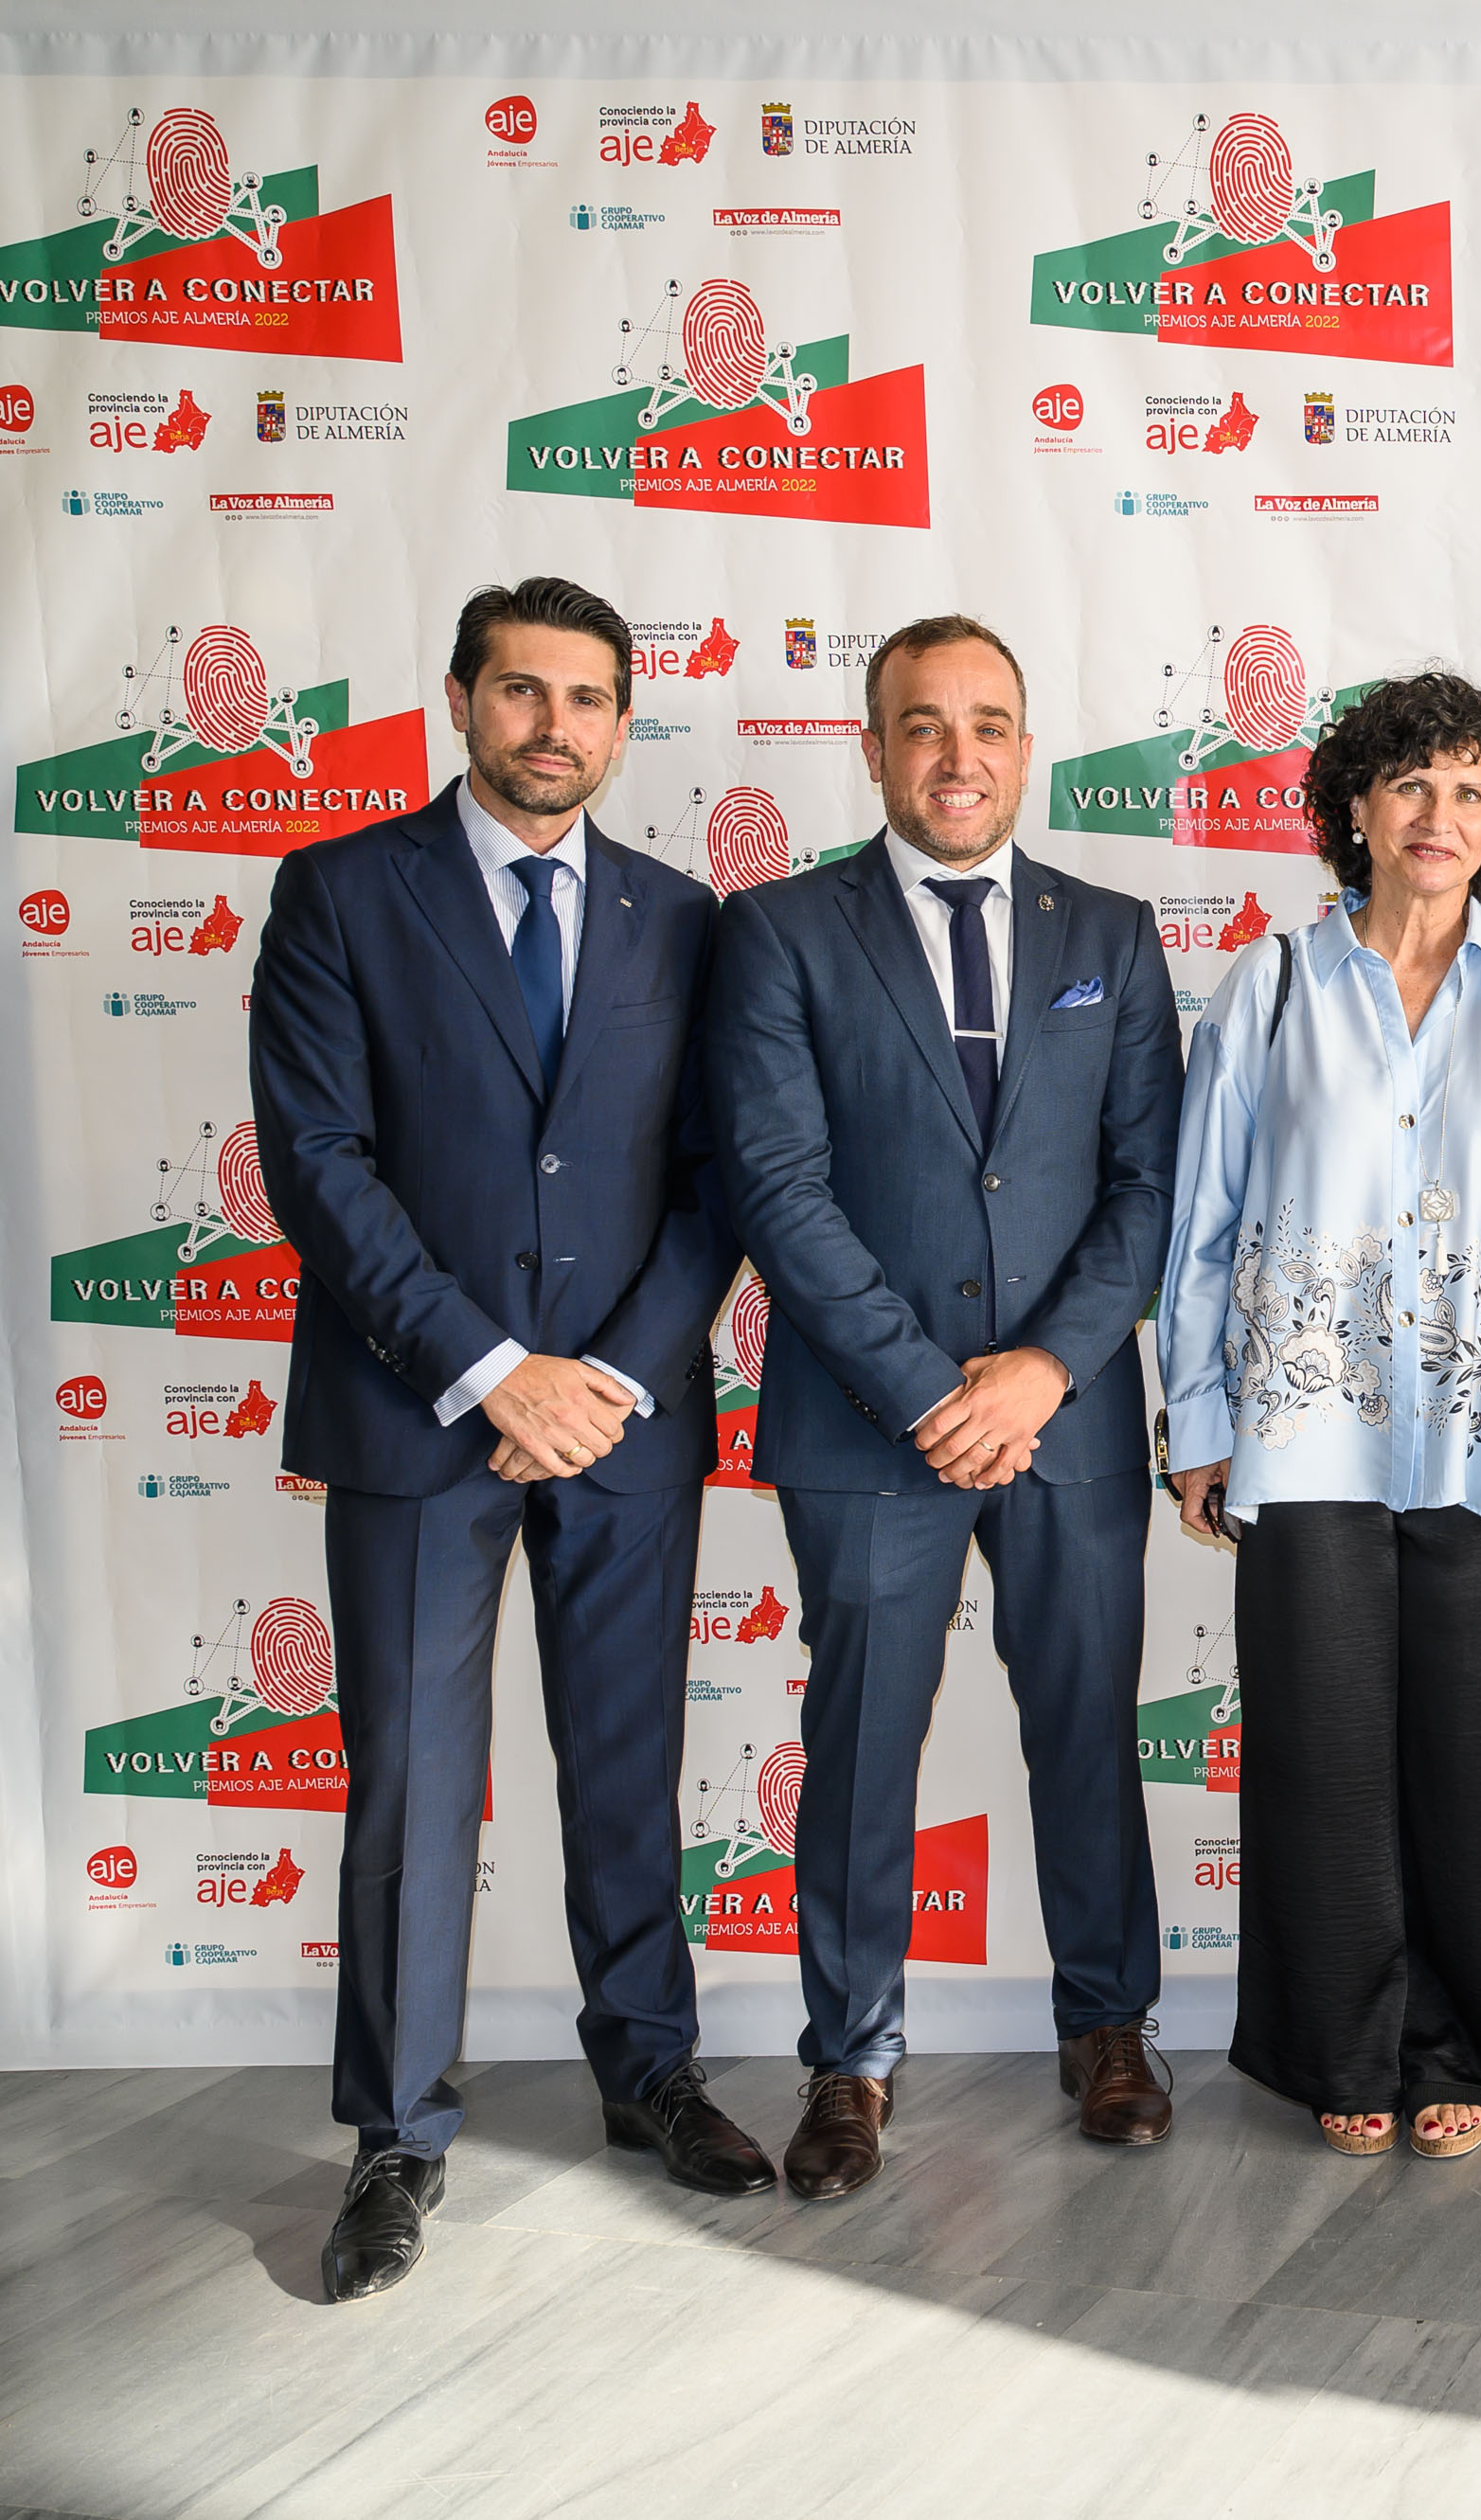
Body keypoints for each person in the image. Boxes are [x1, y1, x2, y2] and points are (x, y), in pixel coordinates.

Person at [249, 577, 759, 2303]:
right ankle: (396, 2131)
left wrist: (601, 1375)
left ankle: (649, 2070)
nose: (557, 725)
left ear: (623, 722)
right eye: (525, 691)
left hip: (622, 1419)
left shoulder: (687, 919)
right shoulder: (339, 891)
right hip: (418, 1411)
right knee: (408, 1778)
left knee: (627, 1760)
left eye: (588, 697)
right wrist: (488, 1368)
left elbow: (718, 1180)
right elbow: (319, 1162)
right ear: (461, 698)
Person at [707, 616, 1184, 2200]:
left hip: (1071, 1420)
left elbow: (1148, 1184)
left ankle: (1108, 2023)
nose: (958, 754)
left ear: (1027, 749)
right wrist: (929, 1391)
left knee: (1088, 1725)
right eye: (924, 724)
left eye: (988, 723)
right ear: (873, 749)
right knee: (858, 1745)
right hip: (867, 1425)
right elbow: (779, 1191)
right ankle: (850, 2056)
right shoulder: (780, 932)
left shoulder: (1111, 934)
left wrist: (1043, 1367)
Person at [1157, 672, 1481, 2161]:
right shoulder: (1270, 988)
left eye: (1470, 792)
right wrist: (1197, 1416)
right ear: (1357, 809)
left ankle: (1460, 2046)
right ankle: (1343, 2049)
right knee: (1323, 1754)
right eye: (1412, 784)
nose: (1441, 815)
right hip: (1304, 1434)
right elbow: (1203, 1222)